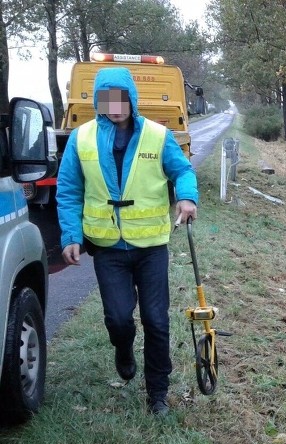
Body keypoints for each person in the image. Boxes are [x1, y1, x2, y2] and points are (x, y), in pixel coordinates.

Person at [56, 67, 198, 416]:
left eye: (121, 98)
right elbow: (69, 189)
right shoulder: (82, 137)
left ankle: (158, 394)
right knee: (119, 318)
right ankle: (123, 348)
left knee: (156, 320)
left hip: (150, 246)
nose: (115, 106)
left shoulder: (158, 135)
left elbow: (182, 170)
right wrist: (71, 235)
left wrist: (187, 197)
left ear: (132, 99)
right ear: (98, 101)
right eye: (107, 99)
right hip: (107, 247)